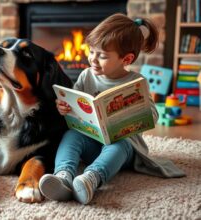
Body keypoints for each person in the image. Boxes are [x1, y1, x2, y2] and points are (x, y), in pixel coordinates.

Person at [38, 13, 185, 205]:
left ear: (126, 59)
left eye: (102, 56)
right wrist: (65, 107)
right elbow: (75, 102)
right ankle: (63, 176)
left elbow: (153, 115)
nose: (93, 59)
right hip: (92, 140)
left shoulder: (136, 82)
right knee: (71, 137)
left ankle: (92, 178)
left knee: (120, 144)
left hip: (122, 149)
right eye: (91, 51)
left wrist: (132, 113)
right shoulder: (86, 76)